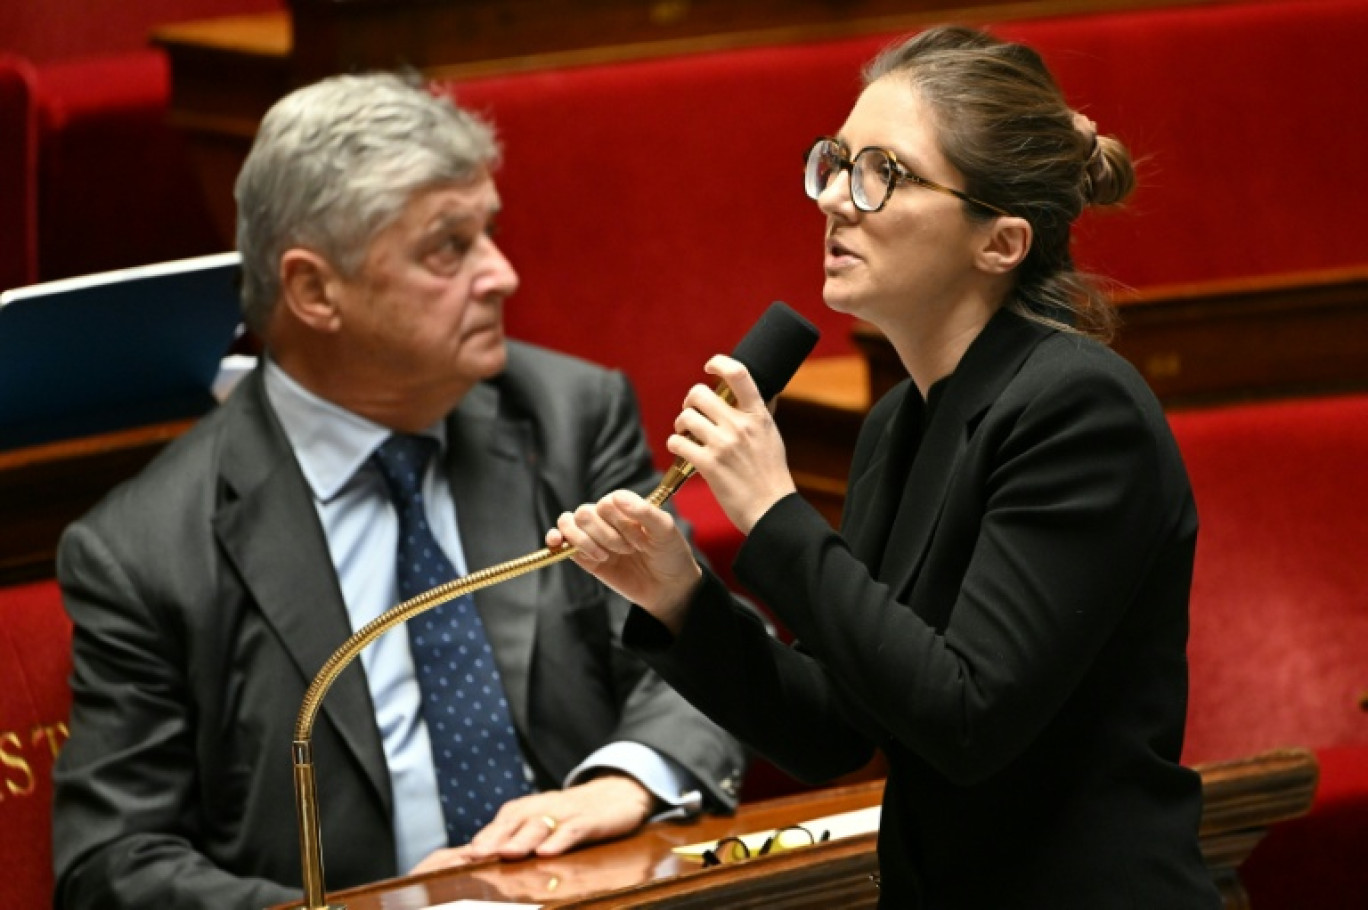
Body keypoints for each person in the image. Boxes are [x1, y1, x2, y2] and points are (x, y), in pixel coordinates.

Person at [550, 25, 1221, 909]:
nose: (835, 199)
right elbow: (837, 727)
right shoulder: (900, 421)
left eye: (884, 174)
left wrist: (774, 509)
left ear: (1001, 243)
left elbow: (968, 719)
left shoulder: (1079, 410)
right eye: (836, 161)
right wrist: (682, 599)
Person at [51, 72, 744, 910]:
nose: (502, 275)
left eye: (488, 231)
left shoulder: (567, 417)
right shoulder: (148, 550)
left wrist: (622, 783)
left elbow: (711, 652)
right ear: (313, 290)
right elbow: (114, 864)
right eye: (447, 248)